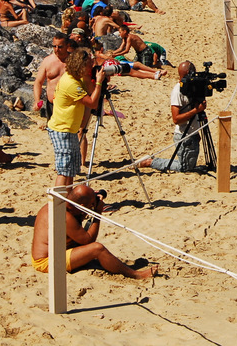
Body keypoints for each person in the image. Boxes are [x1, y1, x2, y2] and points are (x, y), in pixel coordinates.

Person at [30, 184, 157, 279]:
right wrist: (97, 213)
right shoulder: (64, 215)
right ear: (83, 206)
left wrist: (91, 203)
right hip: (47, 261)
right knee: (97, 249)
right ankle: (135, 274)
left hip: (59, 250)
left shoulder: (65, 203)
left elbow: (78, 226)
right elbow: (88, 240)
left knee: (91, 248)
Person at [48, 48, 107, 186]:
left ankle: (67, 201)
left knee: (71, 170)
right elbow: (93, 103)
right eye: (88, 65)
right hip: (62, 130)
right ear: (81, 65)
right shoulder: (71, 83)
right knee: (64, 170)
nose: (91, 67)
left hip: (70, 130)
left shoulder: (76, 78)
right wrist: (99, 82)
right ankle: (59, 203)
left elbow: (92, 93)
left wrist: (88, 78)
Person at [138, 61, 206, 173]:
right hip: (184, 136)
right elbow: (176, 119)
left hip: (192, 134)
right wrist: (196, 110)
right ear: (189, 72)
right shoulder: (177, 91)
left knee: (190, 165)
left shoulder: (193, 89)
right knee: (184, 168)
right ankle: (150, 162)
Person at [33, 33, 72, 124]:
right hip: (52, 105)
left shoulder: (73, 60)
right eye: (54, 46)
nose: (56, 49)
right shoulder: (48, 61)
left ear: (68, 45)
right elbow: (38, 82)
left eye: (60, 47)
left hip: (70, 105)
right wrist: (37, 100)